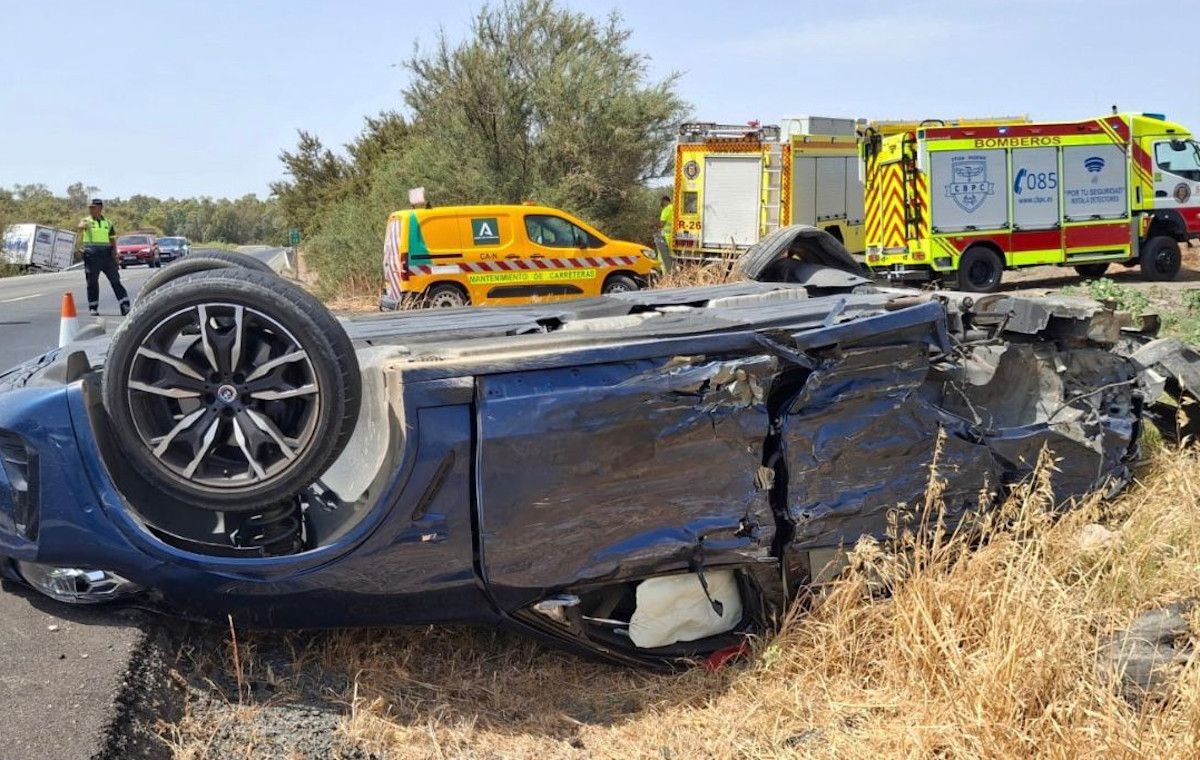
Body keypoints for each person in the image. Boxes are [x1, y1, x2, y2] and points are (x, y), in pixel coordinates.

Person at [77, 198, 129, 316]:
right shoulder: (87, 221)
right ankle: (93, 307)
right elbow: (80, 226)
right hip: (92, 256)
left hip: (107, 255)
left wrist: (115, 254)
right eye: (90, 208)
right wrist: (82, 225)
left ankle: (124, 305)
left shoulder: (108, 223)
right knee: (92, 282)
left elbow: (112, 239)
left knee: (115, 280)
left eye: (93, 208)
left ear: (100, 208)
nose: (91, 210)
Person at [655, 194, 675, 274]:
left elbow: (662, 224)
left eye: (661, 202)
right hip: (674, 235)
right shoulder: (675, 207)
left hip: (666, 235)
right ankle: (674, 271)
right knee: (672, 255)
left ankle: (664, 274)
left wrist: (655, 225)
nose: (661, 204)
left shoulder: (666, 209)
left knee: (661, 255)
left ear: (664, 201)